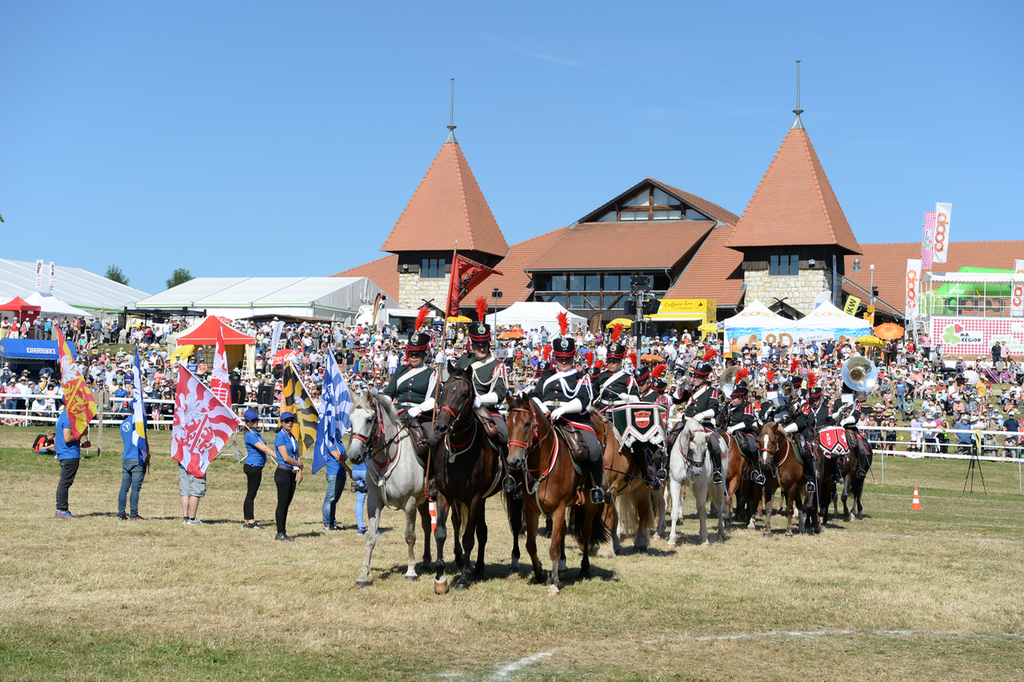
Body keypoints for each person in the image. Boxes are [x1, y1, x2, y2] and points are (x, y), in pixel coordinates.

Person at [531, 328, 607, 504]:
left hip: (574, 420)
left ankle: (596, 487)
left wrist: (563, 410)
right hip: (547, 420)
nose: (563, 361)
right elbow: (535, 394)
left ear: (573, 357)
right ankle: (521, 484)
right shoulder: (547, 377)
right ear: (555, 357)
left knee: (594, 449)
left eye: (567, 358)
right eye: (560, 358)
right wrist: (542, 407)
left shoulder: (581, 378)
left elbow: (584, 401)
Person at [673, 359, 724, 484]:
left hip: (703, 424)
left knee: (715, 444)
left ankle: (717, 470)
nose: (695, 378)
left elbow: (714, 410)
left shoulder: (712, 391)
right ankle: (666, 468)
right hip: (687, 423)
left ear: (705, 378)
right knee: (670, 438)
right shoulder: (691, 390)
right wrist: (681, 386)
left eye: (699, 377)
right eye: (695, 375)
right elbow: (676, 400)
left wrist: (700, 415)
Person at [724, 379, 764, 484]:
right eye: (731, 397)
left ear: (741, 398)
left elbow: (747, 423)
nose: (732, 400)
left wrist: (733, 428)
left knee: (752, 445)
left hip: (745, 432)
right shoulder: (728, 407)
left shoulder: (747, 406)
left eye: (734, 398)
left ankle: (756, 470)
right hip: (729, 432)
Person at [54, 405, 90, 518]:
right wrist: (81, 433)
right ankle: (62, 509)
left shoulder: (63, 415)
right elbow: (67, 438)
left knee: (64, 482)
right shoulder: (70, 416)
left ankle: (61, 509)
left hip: (65, 453)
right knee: (65, 482)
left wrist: (82, 444)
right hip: (69, 454)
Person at [241, 408, 274, 530]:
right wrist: (280, 457)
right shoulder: (250, 435)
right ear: (247, 422)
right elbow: (264, 448)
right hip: (253, 466)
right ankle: (250, 521)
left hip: (256, 465)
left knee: (251, 493)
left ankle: (247, 519)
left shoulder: (255, 433)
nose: (256, 422)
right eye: (253, 420)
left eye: (256, 419)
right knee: (251, 494)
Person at [273, 411, 303, 541]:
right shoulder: (280, 436)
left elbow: (296, 454)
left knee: (286, 503)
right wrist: (300, 465)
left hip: (291, 472)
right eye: (286, 421)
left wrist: (299, 469)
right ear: (282, 423)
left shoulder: (292, 437)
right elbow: (285, 457)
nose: (289, 423)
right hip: (283, 472)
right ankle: (280, 532)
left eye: (291, 420)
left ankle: (282, 531)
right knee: (282, 503)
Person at [116, 415, 146, 520]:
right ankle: (134, 514)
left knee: (124, 488)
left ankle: (121, 513)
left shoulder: (124, 423)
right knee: (135, 489)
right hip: (137, 458)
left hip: (126, 457)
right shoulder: (140, 422)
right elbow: (143, 439)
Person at [322, 442, 348, 531]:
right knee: (329, 499)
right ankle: (326, 524)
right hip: (333, 473)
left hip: (341, 473)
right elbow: (338, 457)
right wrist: (344, 456)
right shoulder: (331, 442)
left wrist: (344, 457)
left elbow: (344, 457)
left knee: (335, 500)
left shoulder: (340, 443)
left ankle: (332, 523)